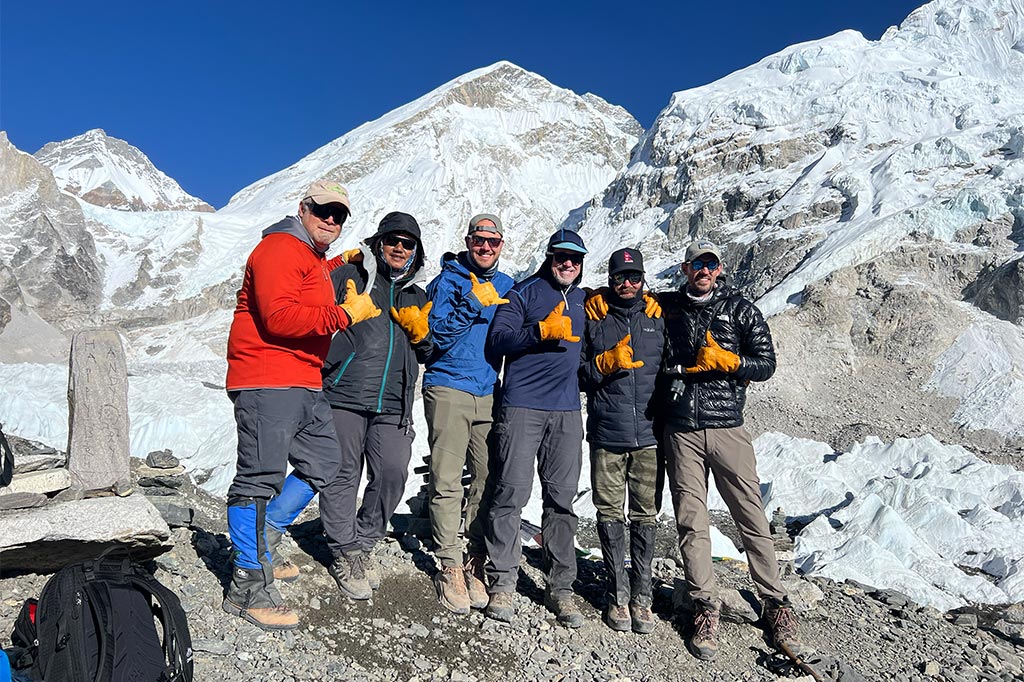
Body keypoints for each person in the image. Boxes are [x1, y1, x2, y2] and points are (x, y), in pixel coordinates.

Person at [223, 180, 379, 631]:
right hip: (269, 378)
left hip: (303, 380)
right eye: (323, 210)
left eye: (339, 215)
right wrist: (346, 315)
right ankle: (246, 582)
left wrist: (334, 263)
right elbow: (280, 315)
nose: (331, 219)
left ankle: (262, 543)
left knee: (325, 460)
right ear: (303, 208)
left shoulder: (305, 254)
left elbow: (301, 285)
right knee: (258, 478)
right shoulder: (278, 248)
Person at [659, 239, 799, 660]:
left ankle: (776, 603)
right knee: (690, 518)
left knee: (751, 514)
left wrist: (732, 363)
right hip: (681, 427)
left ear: (719, 269)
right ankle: (704, 603)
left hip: (727, 427)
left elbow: (767, 363)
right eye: (696, 264)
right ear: (685, 269)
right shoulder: (668, 307)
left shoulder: (741, 310)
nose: (703, 270)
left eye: (711, 264)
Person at [317, 211, 434, 600]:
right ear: (378, 242)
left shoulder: (418, 294)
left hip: (393, 402)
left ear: (416, 252)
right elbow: (313, 301)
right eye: (392, 241)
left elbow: (429, 350)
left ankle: (363, 541)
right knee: (343, 474)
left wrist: (422, 334)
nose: (399, 248)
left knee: (392, 471)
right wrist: (337, 265)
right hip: (344, 393)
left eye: (407, 243)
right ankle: (342, 549)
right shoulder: (354, 276)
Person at [483, 228, 588, 628]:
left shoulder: (583, 300)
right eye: (561, 256)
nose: (568, 263)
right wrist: (539, 332)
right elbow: (498, 341)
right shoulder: (524, 293)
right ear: (549, 256)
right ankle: (503, 581)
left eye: (575, 258)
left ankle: (561, 588)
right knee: (510, 493)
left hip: (565, 412)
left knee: (561, 501)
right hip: (522, 407)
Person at [423, 214, 514, 614]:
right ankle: (449, 565)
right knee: (446, 478)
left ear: (501, 245)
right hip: (448, 386)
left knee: (486, 478)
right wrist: (471, 303)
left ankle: (473, 555)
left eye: (493, 242)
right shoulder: (449, 281)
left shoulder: (509, 286)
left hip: (487, 392)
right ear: (468, 240)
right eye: (480, 240)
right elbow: (433, 335)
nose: (486, 247)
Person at [578, 248, 664, 634]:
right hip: (607, 435)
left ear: (644, 280)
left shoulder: (659, 317)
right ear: (609, 280)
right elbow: (577, 373)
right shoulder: (593, 316)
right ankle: (618, 595)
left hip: (649, 435)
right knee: (609, 513)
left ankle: (643, 597)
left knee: (645, 516)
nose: (627, 284)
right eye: (619, 278)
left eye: (634, 277)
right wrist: (602, 364)